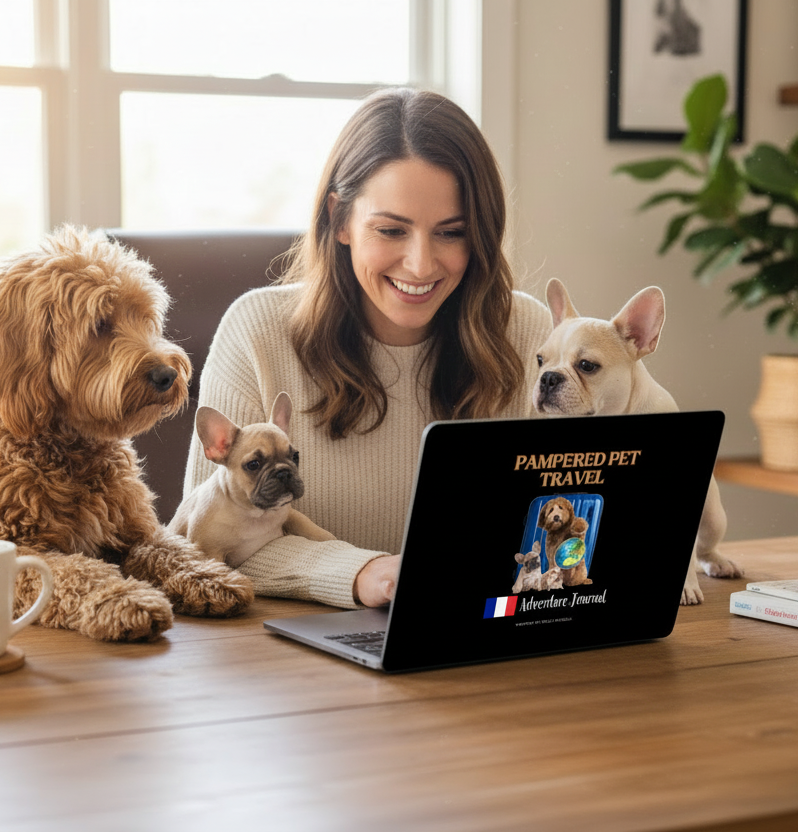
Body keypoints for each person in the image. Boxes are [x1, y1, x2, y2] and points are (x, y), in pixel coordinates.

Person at [182, 87, 551, 609]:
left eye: (452, 233)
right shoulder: (257, 331)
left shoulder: (531, 333)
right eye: (391, 230)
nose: (422, 265)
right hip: (294, 655)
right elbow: (208, 548)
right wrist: (362, 573)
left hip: (495, 626)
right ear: (340, 220)